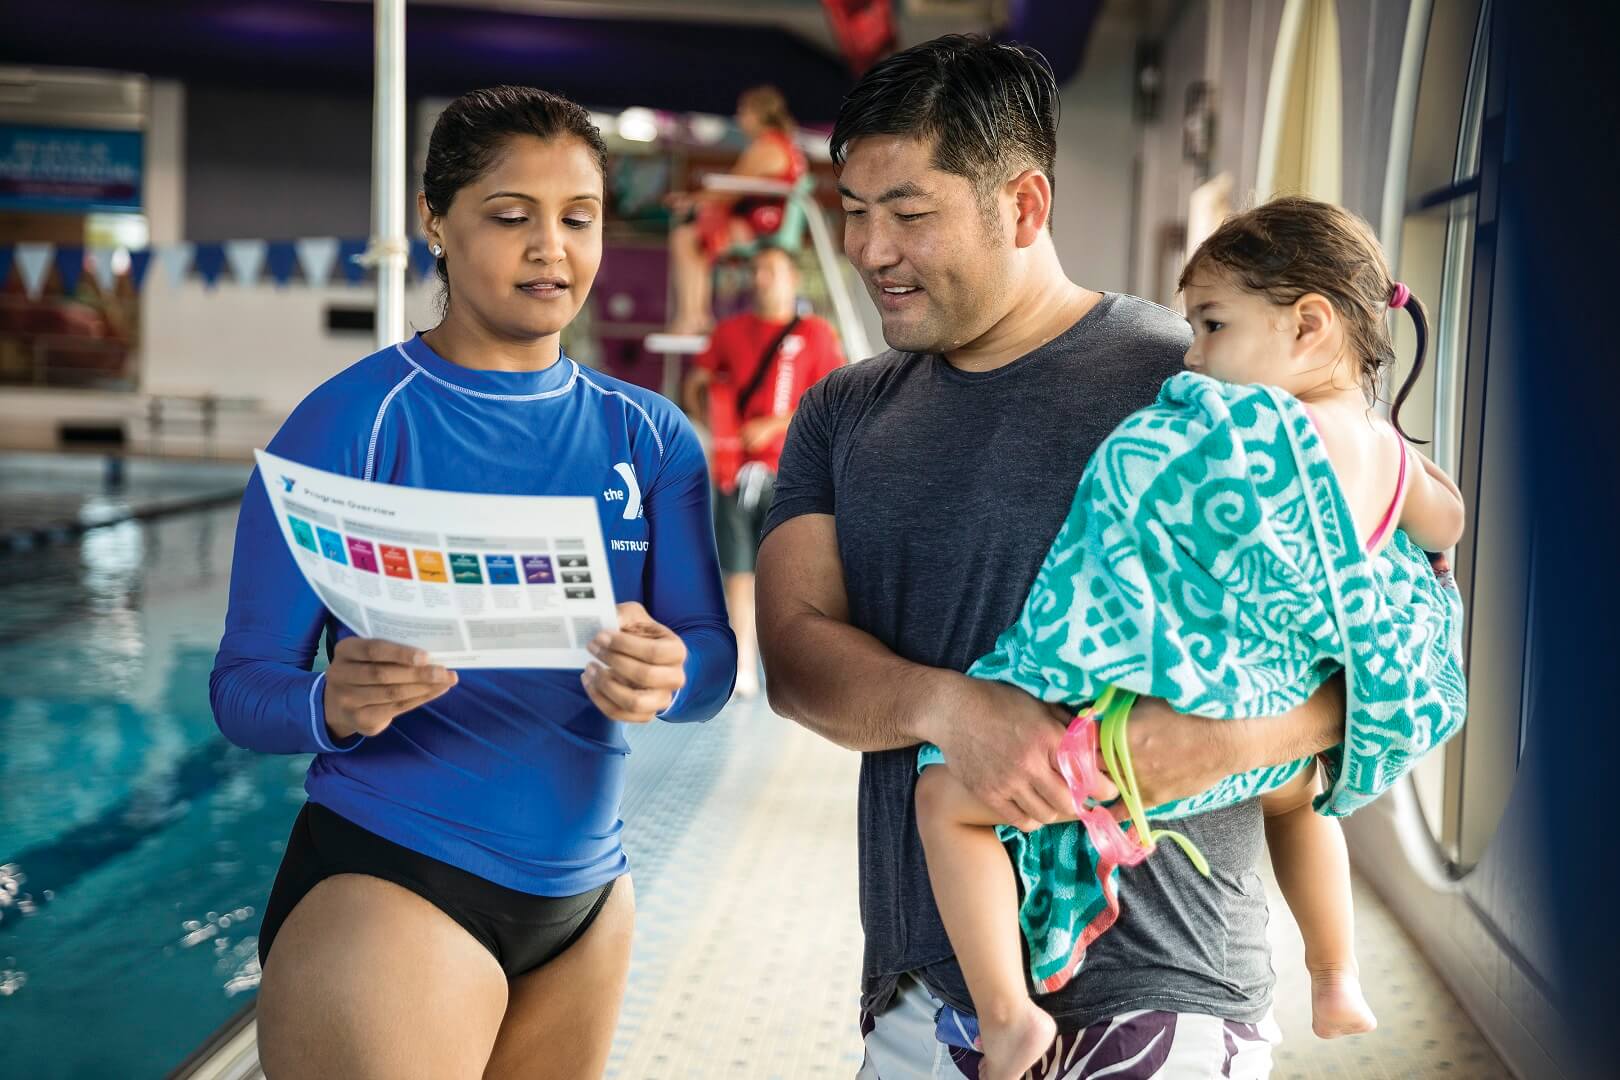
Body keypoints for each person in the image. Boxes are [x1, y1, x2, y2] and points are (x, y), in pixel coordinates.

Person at [756, 36, 1350, 1080]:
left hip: (1168, 987)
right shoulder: (843, 413)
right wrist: (949, 709)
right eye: (855, 208)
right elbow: (796, 656)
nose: (868, 246)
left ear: (1024, 205)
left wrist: (1228, 743)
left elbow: (1391, 640)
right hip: (931, 992)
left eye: (909, 210)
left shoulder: (1198, 384)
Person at [210, 86, 735, 1080]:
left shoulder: (651, 436)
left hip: (588, 900)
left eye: (576, 219)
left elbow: (710, 663)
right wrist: (331, 701)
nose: (551, 248)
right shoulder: (356, 422)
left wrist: (668, 672)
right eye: (511, 217)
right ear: (435, 221)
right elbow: (242, 685)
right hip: (397, 877)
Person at [914, 196, 1468, 1080]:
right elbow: (1444, 534)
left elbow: (1133, 524)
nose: (1193, 354)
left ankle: (1007, 1012)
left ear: (1309, 326)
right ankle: (1333, 975)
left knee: (945, 794)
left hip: (1159, 731)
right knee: (1308, 810)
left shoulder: (1240, 433)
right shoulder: (1389, 455)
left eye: (1212, 325)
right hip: (1278, 745)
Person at [682, 244, 845, 697]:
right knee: (736, 566)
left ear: (794, 279)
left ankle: (794, 665)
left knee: (794, 571)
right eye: (756, 271)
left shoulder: (816, 335)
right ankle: (743, 668)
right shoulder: (730, 332)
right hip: (736, 470)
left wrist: (774, 423)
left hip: (794, 472)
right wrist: (715, 420)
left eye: (771, 269)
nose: (762, 278)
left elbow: (834, 403)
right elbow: (696, 380)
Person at [665, 85, 808, 335]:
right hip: (763, 222)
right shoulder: (781, 145)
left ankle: (692, 315)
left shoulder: (768, 147)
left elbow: (728, 191)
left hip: (763, 227)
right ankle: (696, 315)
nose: (739, 118)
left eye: (743, 111)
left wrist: (690, 201)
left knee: (685, 236)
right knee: (693, 235)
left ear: (758, 114)